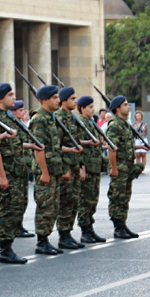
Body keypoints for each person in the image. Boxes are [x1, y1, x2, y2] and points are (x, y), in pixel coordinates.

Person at [0, 84, 31, 263]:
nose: (14, 97)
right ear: (0, 98)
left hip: (17, 171)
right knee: (7, 210)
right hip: (6, 172)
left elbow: (17, 145)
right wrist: (2, 176)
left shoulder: (9, 118)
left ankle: (8, 246)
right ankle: (5, 250)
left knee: (16, 209)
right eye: (10, 95)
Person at [29, 85, 65, 255]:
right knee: (45, 205)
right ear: (45, 100)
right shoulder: (39, 119)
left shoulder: (51, 118)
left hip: (54, 169)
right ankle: (41, 242)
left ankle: (46, 238)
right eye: (55, 98)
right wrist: (44, 172)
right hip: (46, 170)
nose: (58, 101)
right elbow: (38, 147)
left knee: (53, 206)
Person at [106, 96, 146, 239]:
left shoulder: (124, 124)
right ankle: (118, 227)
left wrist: (139, 146)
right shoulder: (115, 125)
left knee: (125, 196)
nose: (128, 107)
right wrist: (114, 168)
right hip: (120, 166)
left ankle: (123, 224)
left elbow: (125, 145)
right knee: (117, 197)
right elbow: (112, 148)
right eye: (125, 105)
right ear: (118, 108)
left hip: (127, 165)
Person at [54, 86, 86, 250]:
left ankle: (68, 233)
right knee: (65, 201)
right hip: (66, 166)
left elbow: (77, 143)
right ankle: (63, 235)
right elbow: (56, 145)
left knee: (74, 201)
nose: (76, 101)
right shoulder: (58, 117)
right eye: (72, 99)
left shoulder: (72, 117)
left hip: (74, 164)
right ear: (64, 101)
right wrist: (63, 168)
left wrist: (81, 166)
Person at [76, 95, 107, 244]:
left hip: (94, 166)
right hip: (86, 166)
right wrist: (81, 168)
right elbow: (77, 143)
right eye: (89, 107)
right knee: (85, 200)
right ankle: (84, 230)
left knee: (93, 199)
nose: (92, 109)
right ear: (82, 108)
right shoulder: (80, 123)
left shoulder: (91, 123)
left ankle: (90, 228)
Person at [12, 99, 36, 239]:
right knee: (15, 200)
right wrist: (32, 145)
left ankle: (19, 225)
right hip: (15, 166)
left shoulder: (21, 124)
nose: (23, 112)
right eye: (20, 110)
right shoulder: (11, 125)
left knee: (22, 199)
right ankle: (13, 227)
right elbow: (19, 144)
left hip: (23, 166)